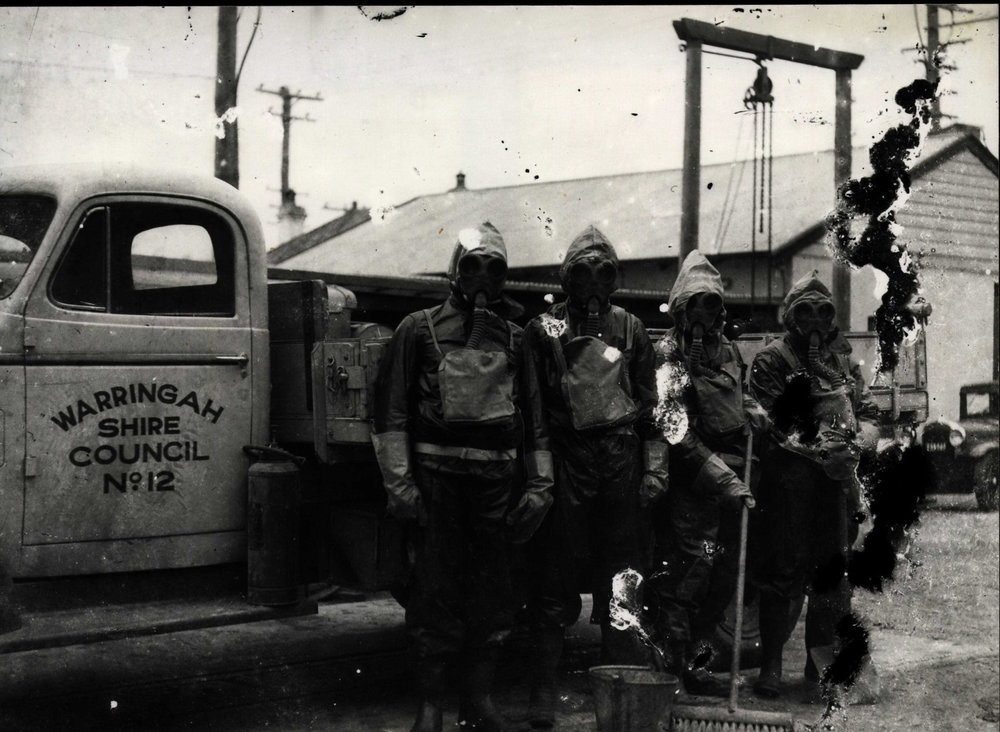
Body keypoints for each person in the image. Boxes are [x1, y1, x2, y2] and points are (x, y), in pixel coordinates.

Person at [371, 222, 553, 732]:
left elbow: (535, 421)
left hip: (497, 488)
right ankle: (430, 705)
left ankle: (478, 700)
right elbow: (391, 415)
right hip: (438, 484)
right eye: (471, 265)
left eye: (494, 268)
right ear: (454, 270)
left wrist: (540, 487)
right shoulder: (418, 329)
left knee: (494, 593)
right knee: (434, 591)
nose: (482, 279)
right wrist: (401, 485)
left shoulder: (518, 341)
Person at [520, 225, 666, 728]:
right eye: (583, 273)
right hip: (569, 457)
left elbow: (651, 406)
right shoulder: (545, 331)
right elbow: (534, 412)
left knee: (624, 573)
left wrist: (655, 470)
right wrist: (541, 476)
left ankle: (623, 680)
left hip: (620, 459)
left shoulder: (632, 329)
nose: (593, 286)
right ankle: (544, 688)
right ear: (566, 278)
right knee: (553, 572)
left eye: (604, 273)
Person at [748, 271, 878, 699]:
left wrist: (860, 440)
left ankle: (815, 663)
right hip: (789, 483)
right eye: (805, 312)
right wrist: (821, 446)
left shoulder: (841, 362)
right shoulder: (771, 361)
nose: (815, 322)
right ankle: (770, 665)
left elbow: (868, 412)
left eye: (823, 312)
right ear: (791, 316)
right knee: (781, 572)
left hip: (834, 484)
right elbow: (771, 422)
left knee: (830, 576)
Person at [645, 250, 766, 696]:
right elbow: (673, 426)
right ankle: (671, 672)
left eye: (711, 304)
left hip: (731, 473)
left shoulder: (729, 349)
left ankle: (695, 663)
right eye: (695, 303)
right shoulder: (667, 353)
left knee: (724, 576)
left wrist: (752, 409)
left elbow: (739, 396)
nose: (704, 313)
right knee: (688, 573)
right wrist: (718, 474)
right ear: (680, 307)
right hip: (690, 476)